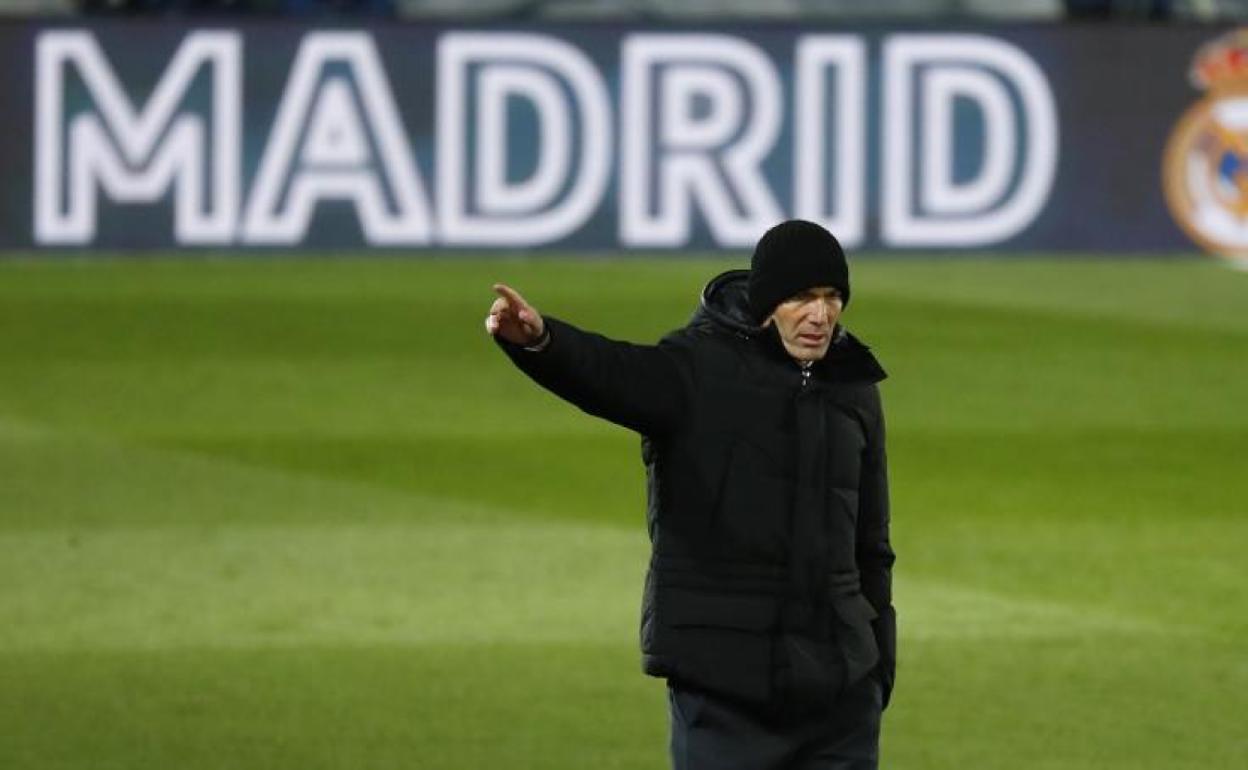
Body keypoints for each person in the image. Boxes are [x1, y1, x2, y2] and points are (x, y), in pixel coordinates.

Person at [486, 219, 895, 770]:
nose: (820, 315)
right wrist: (541, 341)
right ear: (767, 302)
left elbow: (872, 545)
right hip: (726, 693)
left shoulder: (854, 387)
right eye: (802, 297)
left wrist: (877, 669)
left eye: (832, 298)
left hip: (839, 700)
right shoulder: (698, 367)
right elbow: (612, 374)